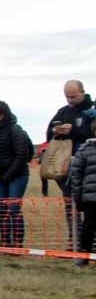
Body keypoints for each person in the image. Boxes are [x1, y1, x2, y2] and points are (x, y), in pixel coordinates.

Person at [46, 80, 93, 250]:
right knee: (70, 204)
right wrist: (56, 132)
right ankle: (75, 239)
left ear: (83, 92)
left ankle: (89, 241)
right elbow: (49, 132)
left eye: (74, 96)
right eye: (67, 96)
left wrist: (73, 130)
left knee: (89, 204)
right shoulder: (63, 112)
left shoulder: (92, 111)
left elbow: (91, 134)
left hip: (89, 166)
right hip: (67, 166)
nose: (70, 100)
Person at [0, 101, 31, 248]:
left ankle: (17, 242)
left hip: (17, 175)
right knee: (1, 208)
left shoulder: (15, 130)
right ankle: (5, 239)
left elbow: (22, 155)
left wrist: (8, 175)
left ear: (1, 115)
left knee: (13, 208)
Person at [69, 119, 96, 267]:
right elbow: (76, 176)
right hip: (90, 198)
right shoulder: (85, 149)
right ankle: (84, 256)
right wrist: (78, 197)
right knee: (88, 228)